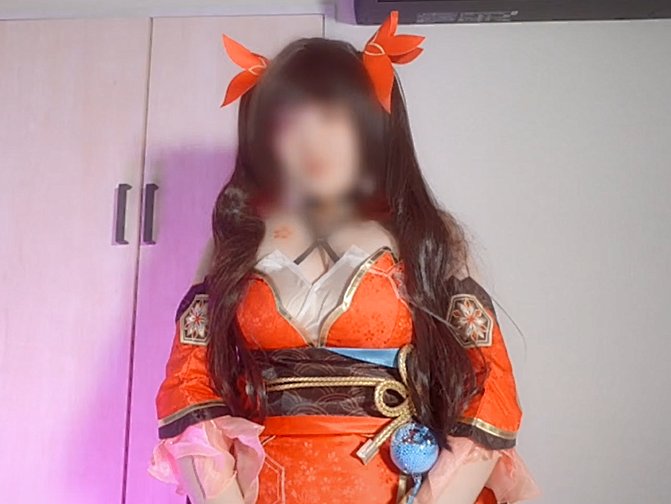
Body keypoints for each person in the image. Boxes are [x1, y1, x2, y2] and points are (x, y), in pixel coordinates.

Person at [148, 12, 541, 504]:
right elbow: (189, 380)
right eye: (290, 122)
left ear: (373, 127)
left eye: (333, 118)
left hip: (399, 489)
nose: (312, 141)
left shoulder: (427, 236)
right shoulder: (235, 242)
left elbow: (488, 383)